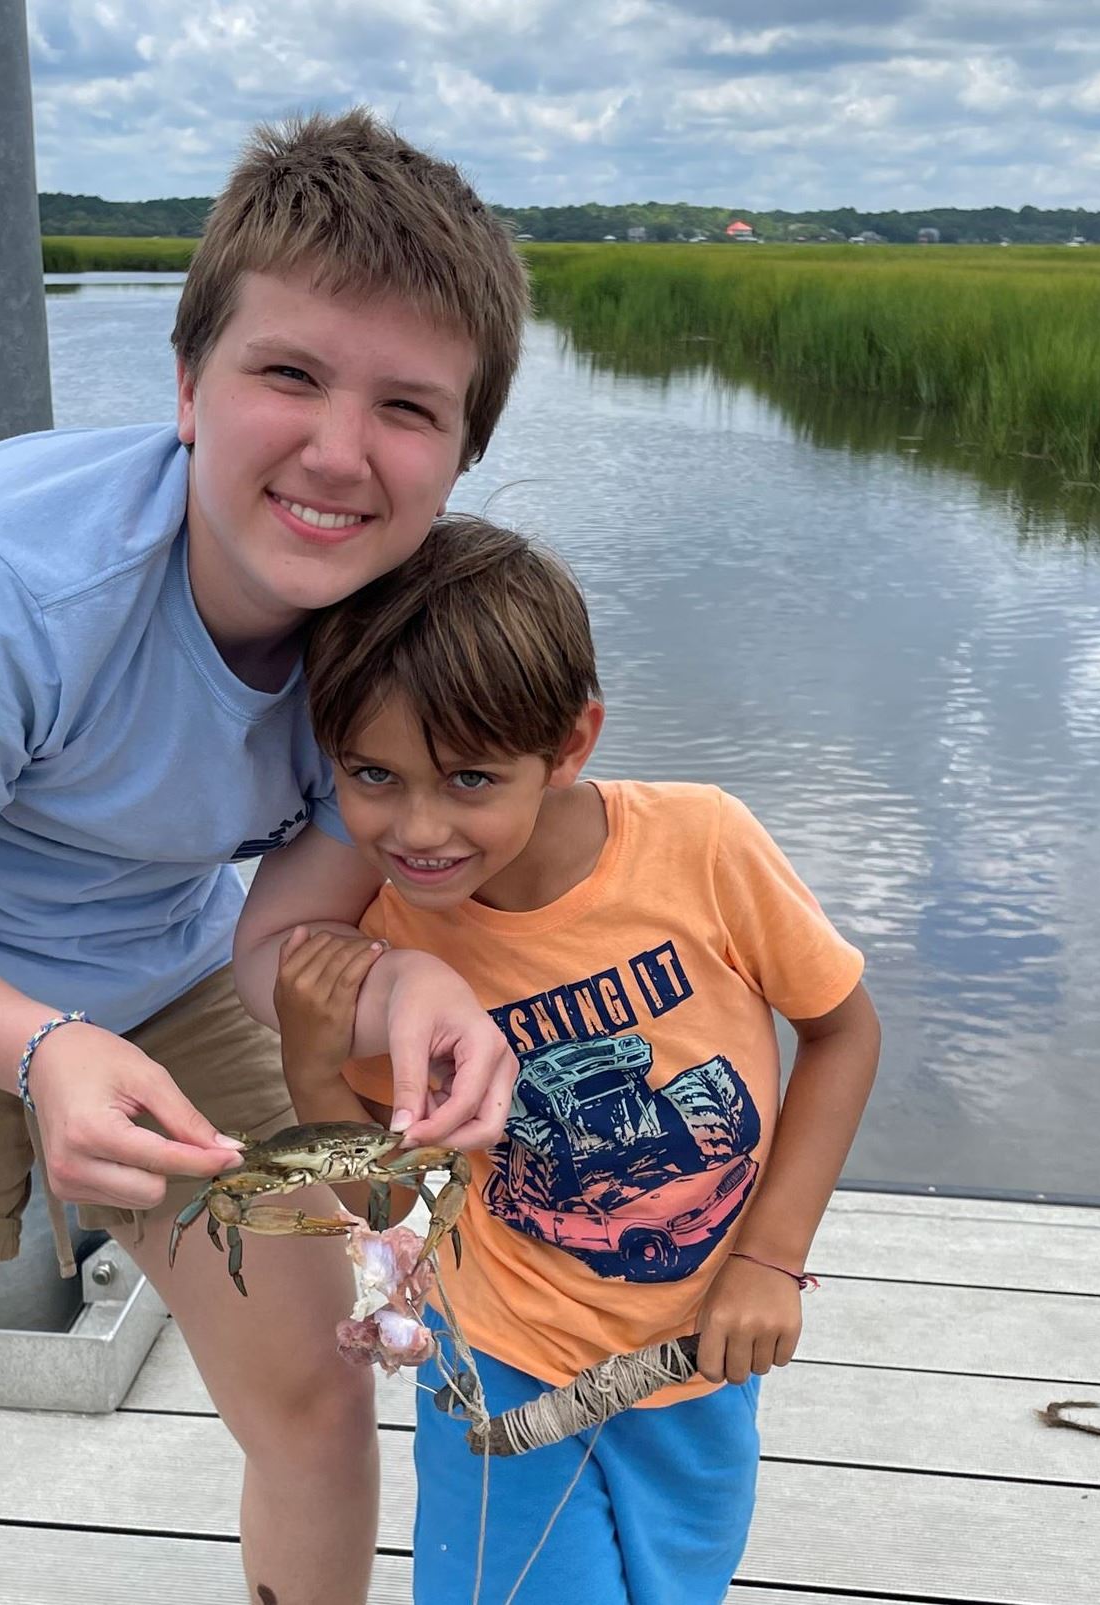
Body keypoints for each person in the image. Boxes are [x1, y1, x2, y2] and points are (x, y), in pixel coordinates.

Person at [0, 110, 530, 1605]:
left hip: (159, 967)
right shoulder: (5, 574)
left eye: (408, 408)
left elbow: (277, 941)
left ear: (464, 451)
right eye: (286, 373)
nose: (337, 452)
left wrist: (399, 989)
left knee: (311, 1402)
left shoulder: (399, 644)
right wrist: (42, 1051)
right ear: (185, 383)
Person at [272, 515, 881, 1605]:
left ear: (570, 744)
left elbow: (841, 1028)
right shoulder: (393, 945)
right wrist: (314, 1066)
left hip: (697, 1362)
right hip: (502, 1368)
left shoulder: (703, 847)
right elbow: (389, 1194)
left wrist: (769, 1259)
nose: (418, 829)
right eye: (372, 775)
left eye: (469, 780)